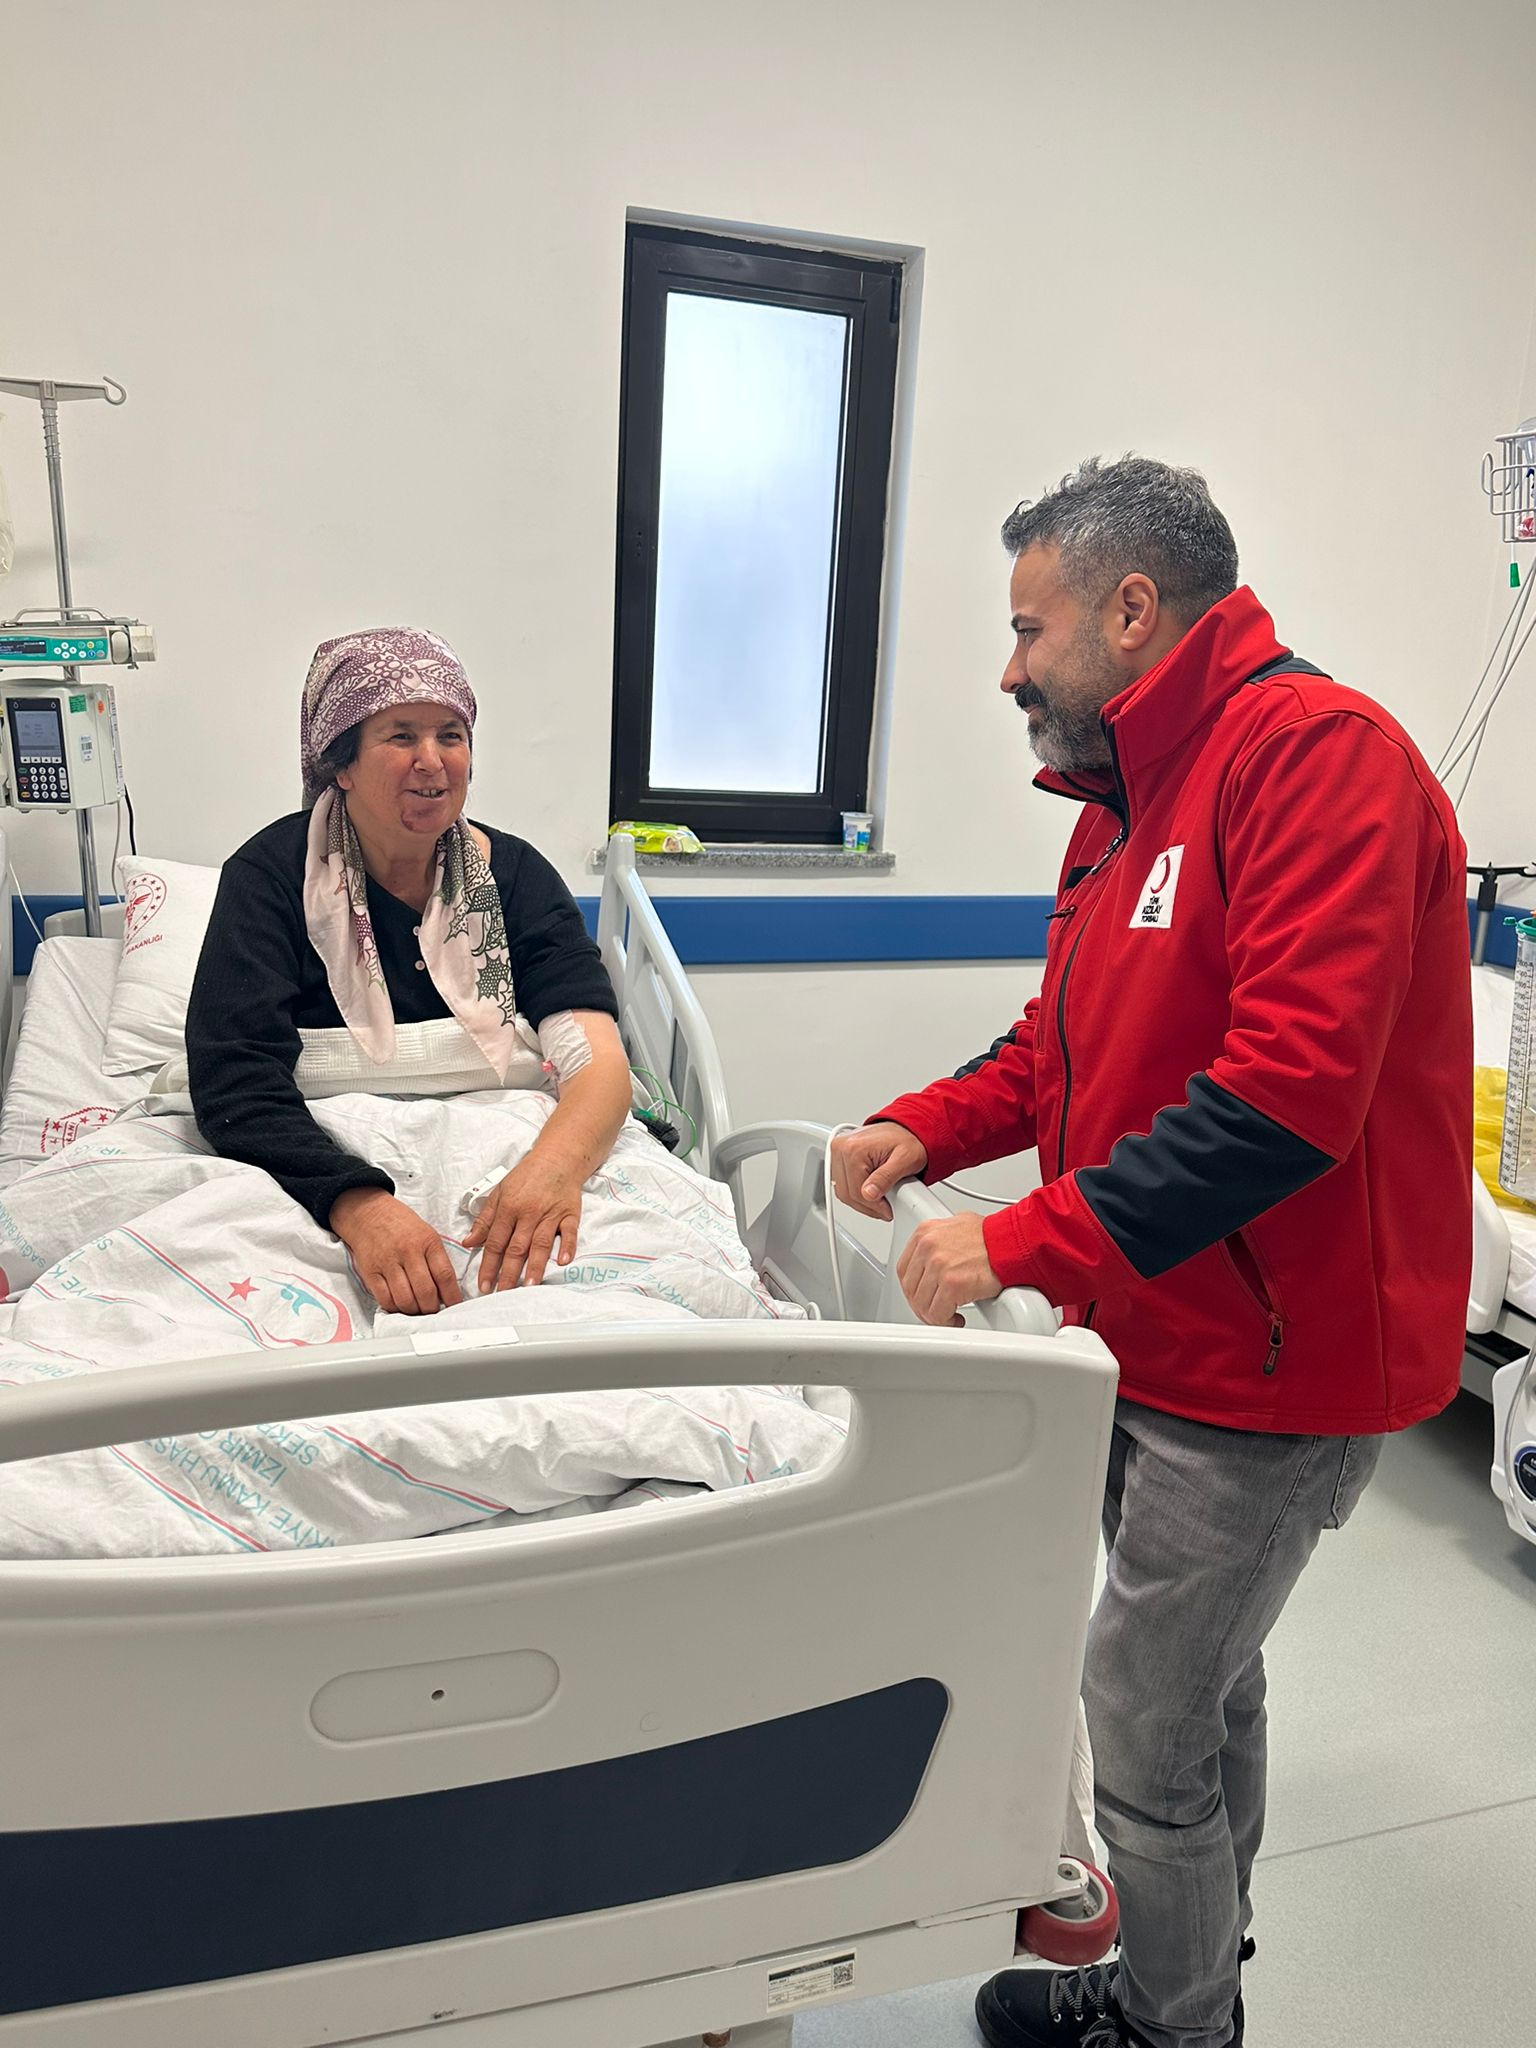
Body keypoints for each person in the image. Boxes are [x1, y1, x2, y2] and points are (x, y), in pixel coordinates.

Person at [830, 458, 1472, 2048]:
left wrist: (1018, 1242)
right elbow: (1061, 1049)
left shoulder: (1317, 760)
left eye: (1026, 628)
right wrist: (926, 1126)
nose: (1009, 669)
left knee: (1140, 1708)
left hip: (1275, 1358)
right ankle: (1194, 1973)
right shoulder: (1125, 801)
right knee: (1199, 1687)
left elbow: (1287, 1100)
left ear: (1131, 609)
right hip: (1158, 1331)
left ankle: (1174, 2027)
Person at [187, 626, 632, 1316]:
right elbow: (235, 1083)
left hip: (513, 1147)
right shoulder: (269, 877)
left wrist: (551, 1173)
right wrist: (359, 1206)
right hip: (317, 1157)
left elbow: (597, 1062)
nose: (433, 761)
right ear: (341, 765)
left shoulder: (516, 877)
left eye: (451, 735)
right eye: (401, 737)